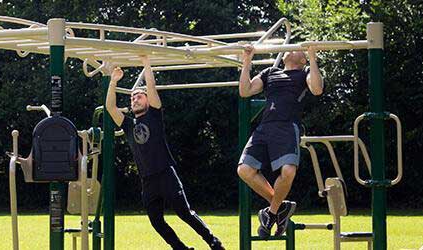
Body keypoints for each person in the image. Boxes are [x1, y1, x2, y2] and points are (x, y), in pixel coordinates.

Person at [104, 55, 224, 250]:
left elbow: (151, 88)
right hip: (147, 180)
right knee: (156, 222)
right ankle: (181, 249)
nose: (135, 99)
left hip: (165, 173)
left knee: (185, 213)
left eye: (139, 96)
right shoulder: (128, 125)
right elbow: (110, 107)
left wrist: (146, 62)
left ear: (148, 101)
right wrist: (113, 81)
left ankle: (213, 242)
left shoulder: (154, 115)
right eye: (132, 97)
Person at [236, 45, 324, 238]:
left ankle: (272, 213)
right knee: (244, 170)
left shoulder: (305, 73)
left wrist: (312, 57)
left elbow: (317, 89)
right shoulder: (270, 72)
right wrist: (246, 61)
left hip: (286, 126)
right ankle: (280, 207)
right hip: (265, 126)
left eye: (299, 50)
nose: (292, 49)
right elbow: (245, 90)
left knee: (288, 171)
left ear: (303, 60)